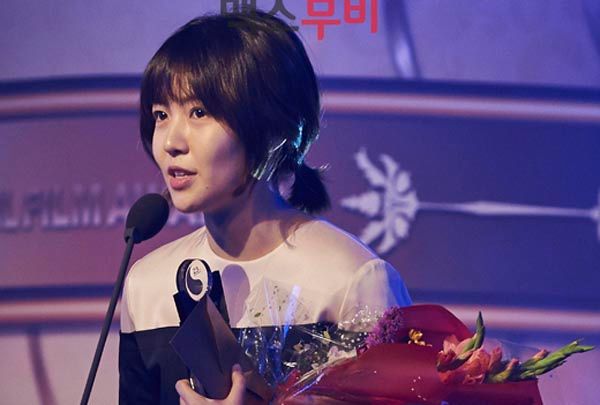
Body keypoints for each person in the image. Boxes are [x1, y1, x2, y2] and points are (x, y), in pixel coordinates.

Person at [119, 10, 411, 405]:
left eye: (199, 112)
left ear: (273, 129)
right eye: (161, 115)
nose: (171, 141)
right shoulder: (145, 285)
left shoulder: (351, 279)